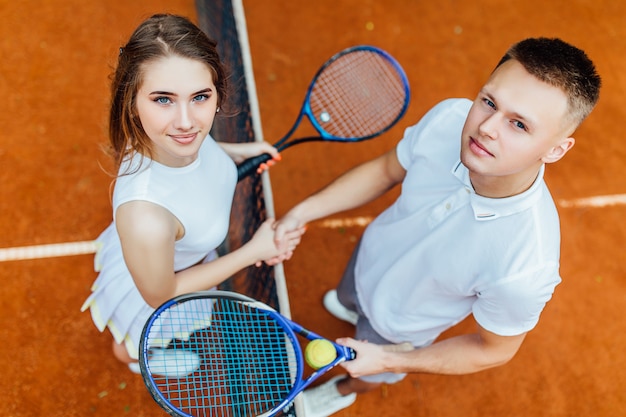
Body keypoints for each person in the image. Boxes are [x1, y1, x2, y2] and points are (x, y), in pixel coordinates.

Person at [273, 37, 601, 416]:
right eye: (489, 102)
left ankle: (346, 388)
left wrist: (386, 360)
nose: (487, 128)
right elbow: (385, 170)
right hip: (367, 258)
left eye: (518, 124)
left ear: (556, 149)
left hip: (398, 327)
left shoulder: (526, 266)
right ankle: (352, 306)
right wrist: (303, 212)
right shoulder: (448, 119)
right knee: (349, 298)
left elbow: (492, 350)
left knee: (365, 371)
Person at [81, 14, 303, 376]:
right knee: (129, 343)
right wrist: (253, 252)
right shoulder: (145, 218)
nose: (186, 122)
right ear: (132, 102)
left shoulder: (168, 139)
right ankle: (137, 359)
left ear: (216, 96)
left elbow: (196, 154)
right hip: (161, 278)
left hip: (181, 257)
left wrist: (231, 152)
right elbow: (161, 295)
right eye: (163, 99)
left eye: (200, 96)